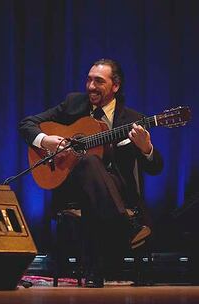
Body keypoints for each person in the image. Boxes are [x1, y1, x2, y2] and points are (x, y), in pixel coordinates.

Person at [19, 59, 163, 287]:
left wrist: (147, 148)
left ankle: (95, 271)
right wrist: (45, 140)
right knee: (88, 162)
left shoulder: (133, 120)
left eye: (98, 81)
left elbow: (156, 168)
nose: (91, 86)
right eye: (89, 80)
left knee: (90, 164)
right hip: (74, 190)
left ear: (115, 86)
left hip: (118, 190)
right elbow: (27, 124)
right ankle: (127, 229)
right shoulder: (73, 104)